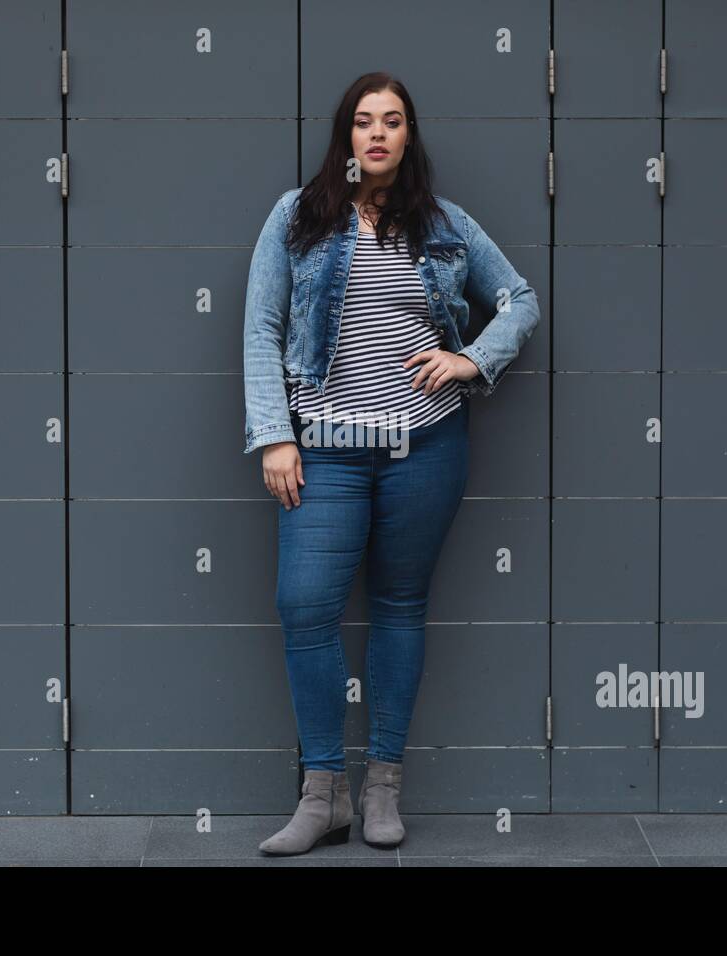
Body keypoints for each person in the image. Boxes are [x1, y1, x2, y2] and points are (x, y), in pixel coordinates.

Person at [242, 72, 540, 855]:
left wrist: (471, 360)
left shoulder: (444, 224)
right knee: (305, 605)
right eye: (364, 120)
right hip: (325, 452)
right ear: (345, 135)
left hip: (425, 449)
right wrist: (275, 434)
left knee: (400, 606)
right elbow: (261, 328)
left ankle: (382, 788)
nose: (378, 133)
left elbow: (520, 300)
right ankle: (323, 794)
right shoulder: (298, 216)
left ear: (409, 136)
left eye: (393, 121)